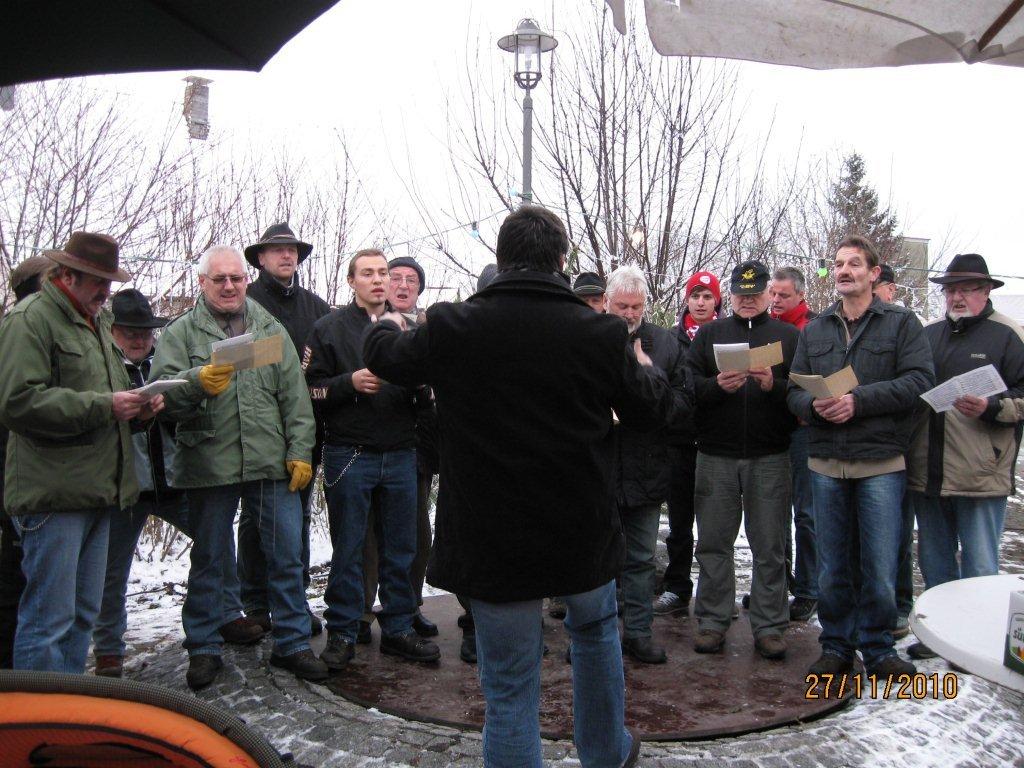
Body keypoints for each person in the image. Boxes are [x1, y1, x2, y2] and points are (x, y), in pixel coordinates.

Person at [362, 205, 681, 767]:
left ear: (501, 257)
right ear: (561, 259)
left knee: (509, 681)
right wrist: (644, 365)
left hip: (493, 533)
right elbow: (651, 409)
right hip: (579, 528)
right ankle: (606, 753)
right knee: (594, 635)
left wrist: (389, 323)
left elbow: (382, 356)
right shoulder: (600, 332)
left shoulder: (455, 326)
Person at [149, 244, 326, 690]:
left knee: (286, 556)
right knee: (211, 559)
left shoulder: (269, 329)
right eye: (219, 279)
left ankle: (292, 642)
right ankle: (203, 646)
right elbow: (161, 398)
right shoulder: (182, 333)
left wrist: (300, 450)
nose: (229, 286)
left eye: (236, 278)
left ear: (246, 280)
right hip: (209, 462)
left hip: (270, 461)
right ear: (202, 283)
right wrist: (195, 382)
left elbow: (295, 398)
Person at [0, 233, 160, 673]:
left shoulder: (96, 322)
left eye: (109, 282)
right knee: (47, 621)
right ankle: (39, 712)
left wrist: (139, 409)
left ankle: (70, 704)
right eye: (98, 281)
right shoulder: (30, 320)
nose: (105, 292)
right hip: (53, 497)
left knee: (81, 616)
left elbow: (107, 397)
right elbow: (17, 402)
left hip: (99, 492)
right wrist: (106, 406)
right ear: (67, 275)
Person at [92, 289, 264, 678]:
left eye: (145, 331)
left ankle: (228, 613)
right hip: (125, 486)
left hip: (177, 479)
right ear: (113, 332)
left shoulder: (167, 360)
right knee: (111, 571)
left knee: (217, 542)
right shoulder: (103, 366)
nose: (140, 339)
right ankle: (108, 650)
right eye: (130, 332)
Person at [787, 234, 934, 683]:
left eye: (854, 263)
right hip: (826, 463)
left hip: (880, 462)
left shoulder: (901, 323)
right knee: (832, 565)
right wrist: (814, 407)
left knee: (880, 564)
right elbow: (793, 391)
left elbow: (920, 381)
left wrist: (859, 401)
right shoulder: (816, 329)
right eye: (838, 264)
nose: (844, 271)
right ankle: (836, 646)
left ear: (874, 273)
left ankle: (878, 648)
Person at [303, 248, 440, 672]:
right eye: (368, 273)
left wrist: (422, 389)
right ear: (352, 281)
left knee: (402, 548)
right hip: (350, 453)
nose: (379, 280)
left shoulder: (410, 329)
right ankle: (343, 632)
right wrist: (349, 382)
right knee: (349, 549)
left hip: (401, 452)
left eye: (382, 272)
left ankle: (398, 627)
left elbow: (426, 392)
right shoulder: (328, 329)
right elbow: (309, 388)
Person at [905, 254, 1024, 660]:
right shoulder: (928, 334)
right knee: (934, 561)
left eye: (967, 289)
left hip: (980, 472)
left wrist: (992, 407)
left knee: (979, 565)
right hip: (928, 470)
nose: (957, 297)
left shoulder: (1009, 335)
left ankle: (979, 643)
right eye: (951, 290)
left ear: (986, 291)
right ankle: (941, 636)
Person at [686, 260, 799, 660]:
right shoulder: (710, 334)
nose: (747, 301)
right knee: (713, 543)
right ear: (729, 296)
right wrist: (716, 386)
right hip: (716, 453)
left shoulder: (788, 337)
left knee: (770, 545)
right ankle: (713, 620)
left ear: (768, 294)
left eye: (754, 294)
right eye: (740, 294)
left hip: (770, 453)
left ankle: (769, 625)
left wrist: (774, 385)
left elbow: (802, 393)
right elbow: (688, 387)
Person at [241, 223, 330, 636]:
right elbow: (231, 360)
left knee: (298, 517)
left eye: (292, 249)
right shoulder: (244, 302)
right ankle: (256, 602)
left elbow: (328, 364)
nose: (286, 255)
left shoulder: (317, 307)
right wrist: (279, 356)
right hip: (255, 426)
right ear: (261, 258)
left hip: (305, 428)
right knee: (254, 519)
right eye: (277, 250)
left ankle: (294, 601)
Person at [603, 265, 690, 664]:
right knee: (598, 560)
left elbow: (682, 405)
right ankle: (594, 636)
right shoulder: (588, 338)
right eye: (621, 306)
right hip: (599, 467)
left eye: (636, 307)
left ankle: (638, 633)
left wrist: (648, 374)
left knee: (640, 559)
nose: (629, 314)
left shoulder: (665, 344)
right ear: (606, 302)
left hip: (646, 466)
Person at [360, 255, 439, 642]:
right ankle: (361, 613)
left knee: (416, 536)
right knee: (368, 540)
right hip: (366, 446)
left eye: (412, 279)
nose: (403, 285)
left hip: (415, 449)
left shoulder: (428, 330)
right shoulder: (366, 326)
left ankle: (407, 607)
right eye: (396, 278)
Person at [656, 271, 720, 617]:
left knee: (715, 525)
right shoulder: (670, 339)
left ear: (717, 301)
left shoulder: (727, 336)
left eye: (707, 296)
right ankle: (677, 586)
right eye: (695, 296)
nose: (700, 302)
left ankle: (715, 593)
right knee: (679, 523)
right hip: (678, 441)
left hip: (714, 442)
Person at [0, 254, 51, 668]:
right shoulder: (21, 329)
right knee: (26, 593)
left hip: (37, 481)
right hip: (22, 481)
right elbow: (21, 404)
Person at [769, 266, 819, 623]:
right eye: (772, 293)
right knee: (776, 511)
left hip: (803, 430)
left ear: (800, 295)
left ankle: (808, 588)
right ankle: (780, 584)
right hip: (775, 429)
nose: (775, 300)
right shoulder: (767, 328)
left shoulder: (812, 329)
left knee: (805, 512)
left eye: (783, 295)